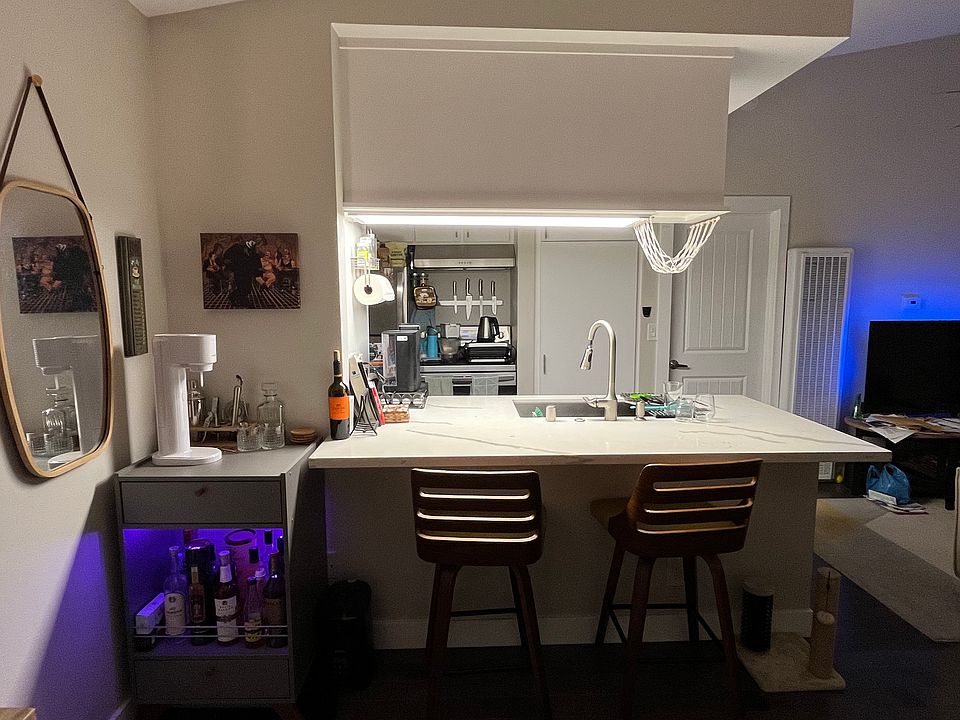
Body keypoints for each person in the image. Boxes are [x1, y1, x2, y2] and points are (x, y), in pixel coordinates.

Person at [51, 241, 94, 311]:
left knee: (78, 289)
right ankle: (79, 303)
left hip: (77, 274)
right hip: (74, 275)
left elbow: (81, 263)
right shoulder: (64, 255)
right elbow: (61, 265)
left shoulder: (74, 253)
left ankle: (82, 303)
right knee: (76, 289)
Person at [223, 236, 263, 308]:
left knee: (247, 288)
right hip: (239, 272)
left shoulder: (253, 253)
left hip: (248, 273)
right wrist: (229, 263)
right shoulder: (236, 248)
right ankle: (243, 301)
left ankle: (233, 297)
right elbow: (226, 256)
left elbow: (255, 263)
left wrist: (258, 273)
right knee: (242, 287)